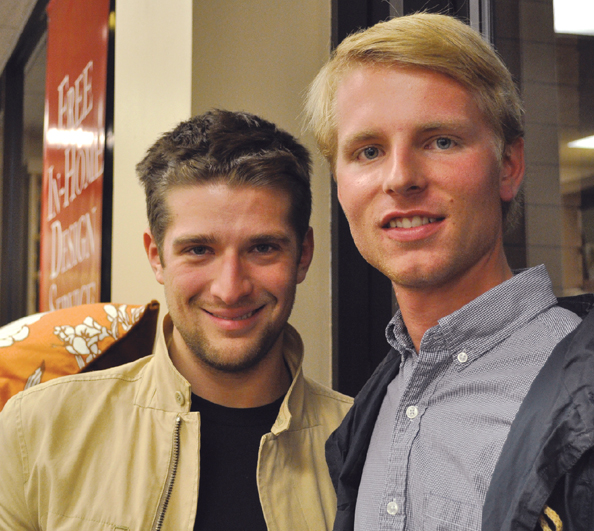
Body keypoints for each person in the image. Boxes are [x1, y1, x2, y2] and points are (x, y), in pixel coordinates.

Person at [305, 12, 594, 531]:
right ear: (338, 184)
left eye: (440, 141)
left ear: (509, 165)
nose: (400, 178)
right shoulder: (374, 411)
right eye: (368, 151)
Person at [0, 109, 353, 530]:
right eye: (198, 250)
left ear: (303, 255)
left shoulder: (366, 444)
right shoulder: (37, 431)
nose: (229, 289)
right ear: (157, 257)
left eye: (262, 248)